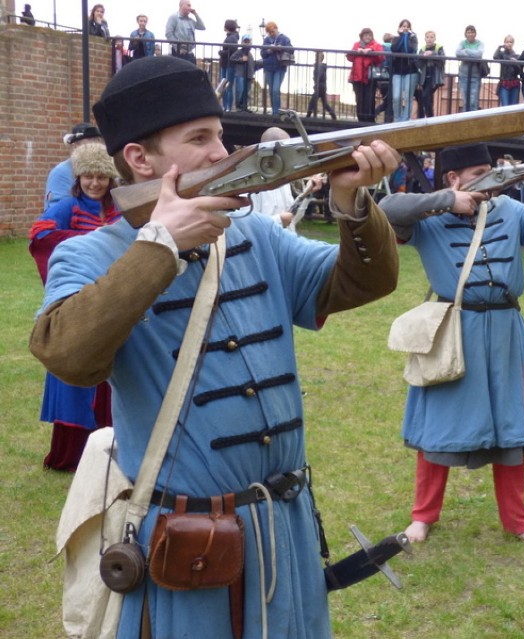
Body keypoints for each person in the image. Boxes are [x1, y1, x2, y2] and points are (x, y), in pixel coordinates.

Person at [30, 55, 401, 639]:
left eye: (219, 135)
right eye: (199, 138)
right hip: (189, 537)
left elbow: (360, 282)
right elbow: (67, 356)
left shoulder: (252, 233)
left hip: (285, 523)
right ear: (139, 158)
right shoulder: (92, 254)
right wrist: (159, 248)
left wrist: (353, 203)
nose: (218, 151)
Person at [379, 143, 524, 551]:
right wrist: (449, 201)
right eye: (480, 171)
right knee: (438, 429)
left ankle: (518, 521)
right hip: (454, 331)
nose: (491, 178)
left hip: (505, 330)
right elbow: (387, 208)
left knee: (511, 428)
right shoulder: (429, 216)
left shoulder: (510, 210)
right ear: (454, 178)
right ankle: (422, 516)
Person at [29, 143, 121, 471]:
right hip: (76, 302)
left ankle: (112, 444)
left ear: (112, 179)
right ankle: (72, 454)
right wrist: (89, 244)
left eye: (101, 176)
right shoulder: (67, 206)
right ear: (78, 177)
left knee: (114, 371)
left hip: (111, 300)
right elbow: (40, 236)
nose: (94, 183)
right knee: (76, 368)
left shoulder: (120, 209)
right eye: (88, 176)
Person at [44, 123, 104, 209]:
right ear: (74, 147)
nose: (93, 152)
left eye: (97, 147)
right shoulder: (61, 173)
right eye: (87, 147)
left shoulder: (104, 170)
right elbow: (58, 213)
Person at [347, 27, 384, 122]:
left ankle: (370, 120)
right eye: (366, 35)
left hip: (370, 78)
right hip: (357, 77)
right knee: (359, 100)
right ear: (362, 36)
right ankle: (361, 120)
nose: (368, 37)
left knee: (370, 100)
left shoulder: (376, 45)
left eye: (369, 35)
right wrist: (356, 51)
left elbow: (381, 57)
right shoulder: (356, 45)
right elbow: (349, 57)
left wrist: (371, 51)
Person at [260, 21, 294, 116]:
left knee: (275, 89)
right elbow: (262, 54)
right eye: (269, 32)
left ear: (276, 28)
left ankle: (276, 112)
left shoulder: (284, 38)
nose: (271, 34)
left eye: (272, 31)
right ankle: (275, 110)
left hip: (280, 67)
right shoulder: (266, 40)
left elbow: (291, 50)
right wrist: (269, 50)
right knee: (271, 90)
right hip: (268, 67)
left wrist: (281, 48)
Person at [390, 19, 418, 122]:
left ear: (410, 28)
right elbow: (394, 48)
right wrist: (402, 36)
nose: (405, 28)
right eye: (403, 26)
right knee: (396, 96)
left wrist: (406, 36)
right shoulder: (396, 38)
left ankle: (405, 119)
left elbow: (409, 50)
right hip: (397, 71)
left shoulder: (413, 39)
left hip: (411, 71)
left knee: (408, 97)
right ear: (399, 27)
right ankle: (397, 118)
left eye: (407, 26)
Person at [416, 30, 445, 118]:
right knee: (428, 98)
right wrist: (422, 56)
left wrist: (432, 54)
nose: (429, 39)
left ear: (435, 38)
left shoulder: (439, 47)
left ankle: (430, 116)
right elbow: (418, 64)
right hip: (424, 77)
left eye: (431, 37)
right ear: (425, 39)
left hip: (434, 77)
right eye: (427, 37)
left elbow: (443, 59)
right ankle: (429, 117)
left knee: (425, 96)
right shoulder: (422, 49)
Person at [456, 25, 485, 112]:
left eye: (472, 32)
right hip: (463, 75)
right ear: (465, 34)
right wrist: (473, 54)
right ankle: (465, 120)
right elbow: (457, 53)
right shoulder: (462, 43)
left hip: (475, 76)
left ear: (475, 34)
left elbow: (479, 54)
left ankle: (474, 120)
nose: (470, 34)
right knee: (465, 100)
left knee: (473, 101)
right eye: (468, 32)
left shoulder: (480, 43)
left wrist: (466, 51)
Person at [306, 51, 337, 119]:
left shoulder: (319, 66)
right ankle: (333, 114)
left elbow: (318, 76)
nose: (315, 58)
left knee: (313, 101)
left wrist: (316, 85)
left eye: (316, 57)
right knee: (324, 103)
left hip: (319, 86)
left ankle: (308, 115)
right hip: (323, 86)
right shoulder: (322, 66)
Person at [493, 35, 522, 107]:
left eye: (511, 42)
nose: (509, 44)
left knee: (513, 106)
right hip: (504, 82)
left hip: (514, 82)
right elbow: (495, 57)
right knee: (505, 105)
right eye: (507, 42)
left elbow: (519, 71)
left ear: (513, 43)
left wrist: (515, 63)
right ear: (504, 43)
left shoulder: (517, 56)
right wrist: (499, 47)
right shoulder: (502, 55)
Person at [218, 19, 240, 112]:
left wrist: (221, 52)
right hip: (228, 64)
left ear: (226, 27)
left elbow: (232, 51)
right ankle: (226, 106)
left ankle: (227, 107)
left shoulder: (231, 38)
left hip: (228, 64)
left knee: (226, 86)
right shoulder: (233, 37)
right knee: (227, 86)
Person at [230, 33, 255, 111]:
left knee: (247, 92)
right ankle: (238, 107)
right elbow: (232, 58)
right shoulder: (239, 52)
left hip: (249, 75)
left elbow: (252, 66)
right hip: (240, 74)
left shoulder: (250, 55)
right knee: (240, 90)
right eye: (245, 41)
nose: (247, 43)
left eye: (248, 41)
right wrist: (241, 59)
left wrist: (252, 75)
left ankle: (244, 107)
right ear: (242, 42)